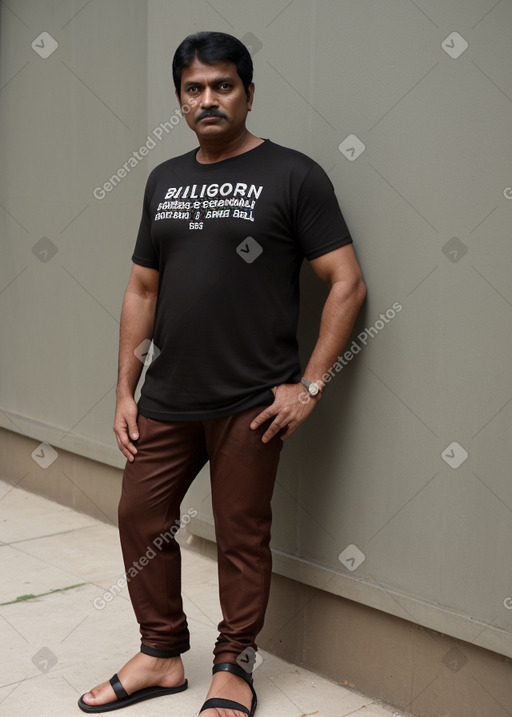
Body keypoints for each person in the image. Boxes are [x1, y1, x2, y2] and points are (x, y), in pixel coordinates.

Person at [78, 30, 366, 717]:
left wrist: (312, 384)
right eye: (194, 89)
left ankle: (235, 662)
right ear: (180, 100)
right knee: (140, 513)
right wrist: (124, 387)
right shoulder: (164, 180)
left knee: (241, 532)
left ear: (248, 92)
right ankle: (161, 652)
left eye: (223, 86)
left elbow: (347, 283)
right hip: (169, 393)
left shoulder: (294, 175)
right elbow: (142, 289)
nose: (208, 99)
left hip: (251, 398)